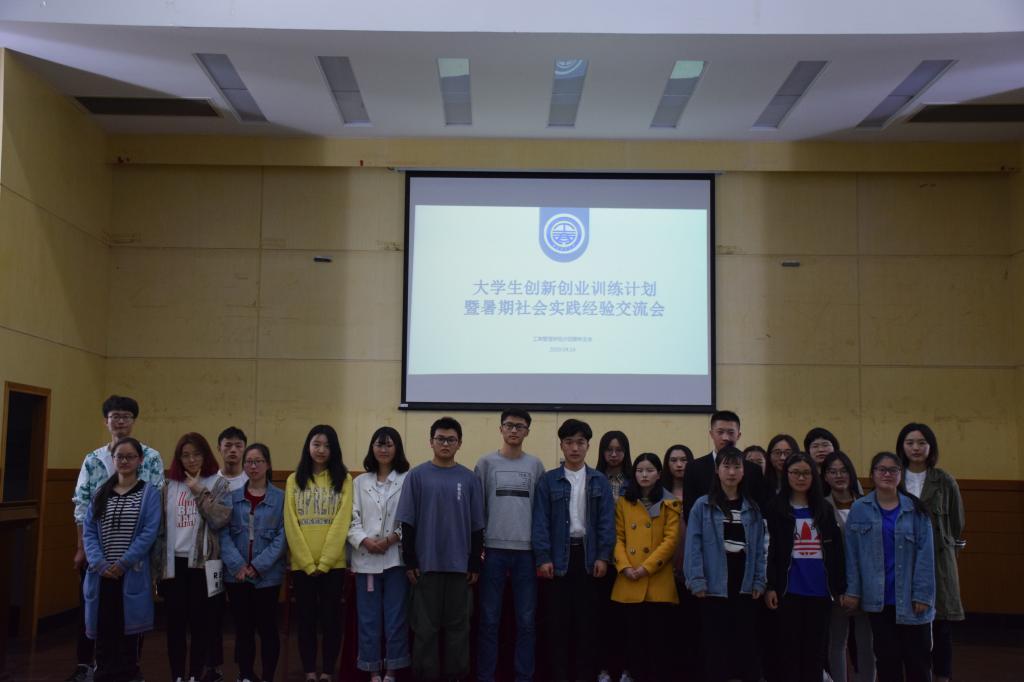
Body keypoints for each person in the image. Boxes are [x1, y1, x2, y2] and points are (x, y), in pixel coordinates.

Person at [70, 395, 163, 682]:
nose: (120, 421)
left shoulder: (151, 457)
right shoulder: (92, 461)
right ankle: (90, 667)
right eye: (115, 416)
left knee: (131, 618)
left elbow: (152, 518)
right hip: (98, 556)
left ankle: (131, 669)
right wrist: (86, 551)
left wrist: (125, 561)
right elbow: (83, 508)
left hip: (134, 560)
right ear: (106, 421)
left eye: (126, 416)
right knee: (96, 613)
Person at [397, 417, 484, 682]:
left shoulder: (469, 478)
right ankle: (426, 675)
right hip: (426, 566)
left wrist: (474, 562)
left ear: (459, 443)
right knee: (425, 628)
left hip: (460, 568)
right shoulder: (416, 476)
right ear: (431, 442)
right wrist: (410, 560)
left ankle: (455, 675)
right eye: (440, 439)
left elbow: (477, 526)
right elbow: (407, 522)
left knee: (459, 627)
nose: (445, 444)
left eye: (451, 440)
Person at [532, 419, 615, 682]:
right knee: (558, 625)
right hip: (557, 559)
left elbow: (606, 522)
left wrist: (603, 556)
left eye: (580, 442)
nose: (575, 448)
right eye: (569, 442)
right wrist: (543, 557)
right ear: (562, 446)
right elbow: (540, 521)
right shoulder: (548, 480)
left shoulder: (599, 480)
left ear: (588, 446)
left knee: (587, 624)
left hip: (588, 558)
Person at [843, 452, 935, 682]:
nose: (887, 474)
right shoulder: (859, 509)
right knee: (887, 662)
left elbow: (926, 556)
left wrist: (923, 594)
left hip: (912, 601)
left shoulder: (916, 509)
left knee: (918, 663)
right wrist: (853, 591)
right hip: (879, 601)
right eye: (881, 469)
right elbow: (851, 555)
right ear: (872, 474)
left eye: (893, 470)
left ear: (900, 474)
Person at [153, 433, 232, 682]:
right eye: (185, 455)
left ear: (206, 455)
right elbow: (159, 531)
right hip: (173, 564)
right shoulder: (168, 485)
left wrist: (199, 492)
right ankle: (177, 675)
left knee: (201, 624)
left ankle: (195, 674)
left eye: (197, 454)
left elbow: (220, 519)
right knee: (175, 625)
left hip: (204, 563)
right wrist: (157, 570)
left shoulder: (218, 483)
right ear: (178, 458)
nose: (191, 460)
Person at [683, 446, 765, 682]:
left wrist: (759, 580)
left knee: (745, 639)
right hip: (713, 579)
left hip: (743, 578)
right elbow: (693, 545)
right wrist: (696, 579)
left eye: (737, 467)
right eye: (726, 466)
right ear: (717, 470)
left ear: (743, 472)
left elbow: (759, 549)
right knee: (715, 641)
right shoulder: (702, 505)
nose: (731, 472)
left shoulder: (752, 507)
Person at [475, 409, 546, 682]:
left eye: (520, 426)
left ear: (528, 431)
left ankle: (523, 676)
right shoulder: (485, 463)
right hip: (492, 552)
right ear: (500, 429)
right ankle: (485, 677)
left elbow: (540, 512)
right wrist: (479, 547)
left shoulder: (535, 465)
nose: (514, 430)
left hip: (527, 554)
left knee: (526, 622)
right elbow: (477, 509)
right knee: (488, 621)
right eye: (509, 425)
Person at [764, 453, 846, 682]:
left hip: (820, 592)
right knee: (788, 651)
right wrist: (770, 586)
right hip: (788, 591)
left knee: (815, 652)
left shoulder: (824, 509)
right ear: (786, 475)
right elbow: (769, 550)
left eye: (806, 473)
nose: (801, 478)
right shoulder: (775, 509)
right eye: (795, 473)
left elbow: (836, 552)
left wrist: (840, 587)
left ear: (814, 476)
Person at [284, 425, 354, 682]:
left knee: (331, 621)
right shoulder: (294, 480)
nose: (321, 450)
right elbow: (291, 523)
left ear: (334, 449)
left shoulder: (344, 480)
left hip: (333, 566)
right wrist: (305, 561)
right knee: (306, 621)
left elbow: (342, 522)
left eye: (327, 445)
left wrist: (324, 563)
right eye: (316, 444)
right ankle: (310, 671)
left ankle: (327, 671)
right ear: (308, 446)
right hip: (302, 566)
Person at [897, 423, 965, 682]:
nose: (916, 448)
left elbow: (956, 524)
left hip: (938, 560)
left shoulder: (944, 480)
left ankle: (942, 677)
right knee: (909, 627)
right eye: (910, 442)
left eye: (922, 442)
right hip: (902, 559)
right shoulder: (894, 477)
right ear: (901, 447)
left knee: (941, 624)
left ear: (931, 447)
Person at [348, 427, 412, 682]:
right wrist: (365, 540)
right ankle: (373, 670)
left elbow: (410, 518)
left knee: (396, 618)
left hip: (395, 558)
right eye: (379, 444)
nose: (383, 450)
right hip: (366, 559)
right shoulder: (359, 482)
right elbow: (351, 519)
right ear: (372, 448)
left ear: (397, 448)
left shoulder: (407, 479)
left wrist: (391, 539)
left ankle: (392, 670)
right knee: (368, 618)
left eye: (389, 445)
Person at [611, 453, 681, 682]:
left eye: (649, 470)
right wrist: (624, 566)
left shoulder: (670, 503)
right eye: (640, 470)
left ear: (659, 474)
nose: (644, 475)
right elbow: (617, 537)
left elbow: (670, 541)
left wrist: (646, 568)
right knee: (633, 639)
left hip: (657, 580)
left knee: (658, 641)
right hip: (629, 578)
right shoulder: (624, 502)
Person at [218, 443, 285, 682]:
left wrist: (258, 566)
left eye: (258, 461)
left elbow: (283, 536)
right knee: (243, 629)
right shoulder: (232, 497)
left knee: (268, 629)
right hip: (236, 576)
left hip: (267, 576)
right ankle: (245, 674)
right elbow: (223, 533)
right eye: (249, 462)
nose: (253, 466)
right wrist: (237, 565)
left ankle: (267, 676)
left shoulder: (281, 498)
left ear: (268, 464)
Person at [822, 451, 874, 682]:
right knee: (837, 643)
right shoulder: (821, 507)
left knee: (867, 644)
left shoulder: (868, 504)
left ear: (851, 474)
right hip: (837, 587)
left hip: (868, 585)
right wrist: (840, 587)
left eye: (843, 470)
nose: (838, 475)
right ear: (825, 476)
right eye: (832, 471)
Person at [208, 425, 249, 682]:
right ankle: (213, 667)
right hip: (212, 559)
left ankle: (244, 669)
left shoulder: (250, 480)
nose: (233, 450)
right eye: (228, 446)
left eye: (238, 445)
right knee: (212, 616)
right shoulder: (211, 481)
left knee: (243, 618)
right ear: (219, 449)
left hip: (242, 562)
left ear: (244, 449)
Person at [661, 444, 700, 682]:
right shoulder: (660, 493)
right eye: (674, 460)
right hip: (665, 568)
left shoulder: (701, 493)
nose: (679, 464)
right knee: (668, 627)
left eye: (684, 460)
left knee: (692, 626)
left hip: (693, 569)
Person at [683, 410, 766, 520]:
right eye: (720, 432)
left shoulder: (753, 470)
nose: (725, 437)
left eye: (731, 432)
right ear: (711, 434)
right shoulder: (694, 468)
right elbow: (689, 511)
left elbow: (759, 509)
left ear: (738, 435)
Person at [596, 430, 633, 501]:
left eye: (619, 450)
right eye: (609, 450)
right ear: (602, 451)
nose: (614, 454)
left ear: (625, 452)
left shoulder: (634, 481)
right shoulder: (594, 480)